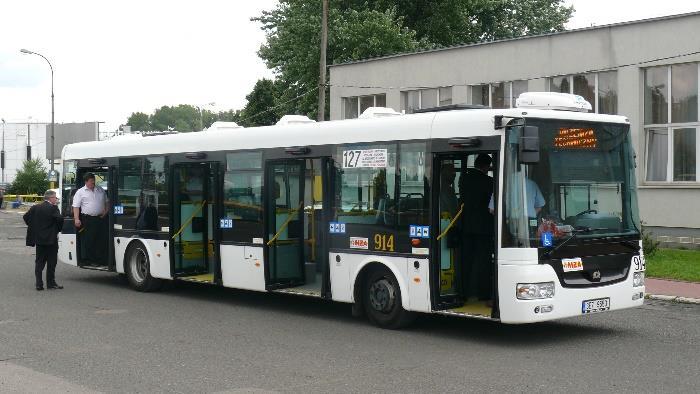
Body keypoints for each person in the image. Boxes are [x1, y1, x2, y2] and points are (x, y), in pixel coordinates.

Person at [458, 154, 495, 303]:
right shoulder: (489, 182)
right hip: (484, 228)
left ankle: (463, 292)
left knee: (466, 261)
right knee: (483, 262)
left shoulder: (464, 179)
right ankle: (483, 294)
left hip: (465, 227)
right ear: (486, 166)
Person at [24, 190, 64, 290]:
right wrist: (57, 229)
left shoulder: (35, 207)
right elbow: (60, 220)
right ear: (50, 198)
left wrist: (34, 227)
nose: (56, 199)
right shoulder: (53, 208)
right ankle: (51, 283)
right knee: (51, 262)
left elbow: (25, 217)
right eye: (55, 197)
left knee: (39, 262)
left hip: (39, 240)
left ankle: (39, 284)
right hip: (51, 239)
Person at [72, 173, 109, 265]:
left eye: (94, 181)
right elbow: (76, 206)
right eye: (91, 181)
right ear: (86, 182)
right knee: (90, 240)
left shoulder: (100, 190)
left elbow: (107, 202)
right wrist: (76, 219)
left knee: (101, 239)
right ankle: (91, 260)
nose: (93, 183)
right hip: (88, 219)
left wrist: (105, 211)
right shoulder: (80, 192)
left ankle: (101, 259)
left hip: (101, 218)